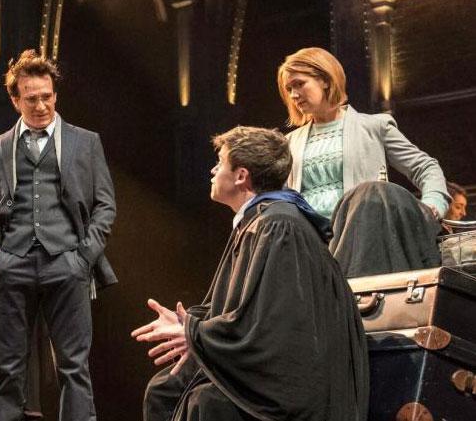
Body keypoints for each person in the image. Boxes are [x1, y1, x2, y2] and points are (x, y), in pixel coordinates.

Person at [132, 126, 369, 421]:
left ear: (241, 175)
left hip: (291, 383)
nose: (213, 171)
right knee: (164, 389)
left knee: (205, 402)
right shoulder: (258, 222)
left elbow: (272, 328)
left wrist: (195, 334)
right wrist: (190, 325)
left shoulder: (278, 225)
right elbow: (237, 308)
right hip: (265, 368)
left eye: (220, 162)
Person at [0, 49, 117, 421]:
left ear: (55, 94)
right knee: (8, 369)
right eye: (31, 98)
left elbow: (105, 205)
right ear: (15, 100)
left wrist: (83, 257)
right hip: (11, 265)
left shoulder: (85, 142)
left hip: (66, 263)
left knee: (74, 367)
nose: (41, 106)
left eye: (47, 97)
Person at [278, 47, 450, 275]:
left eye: (299, 84)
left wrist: (433, 205)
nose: (293, 94)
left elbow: (425, 166)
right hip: (309, 246)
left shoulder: (374, 126)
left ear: (326, 80)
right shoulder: (289, 142)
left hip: (362, 242)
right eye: (289, 89)